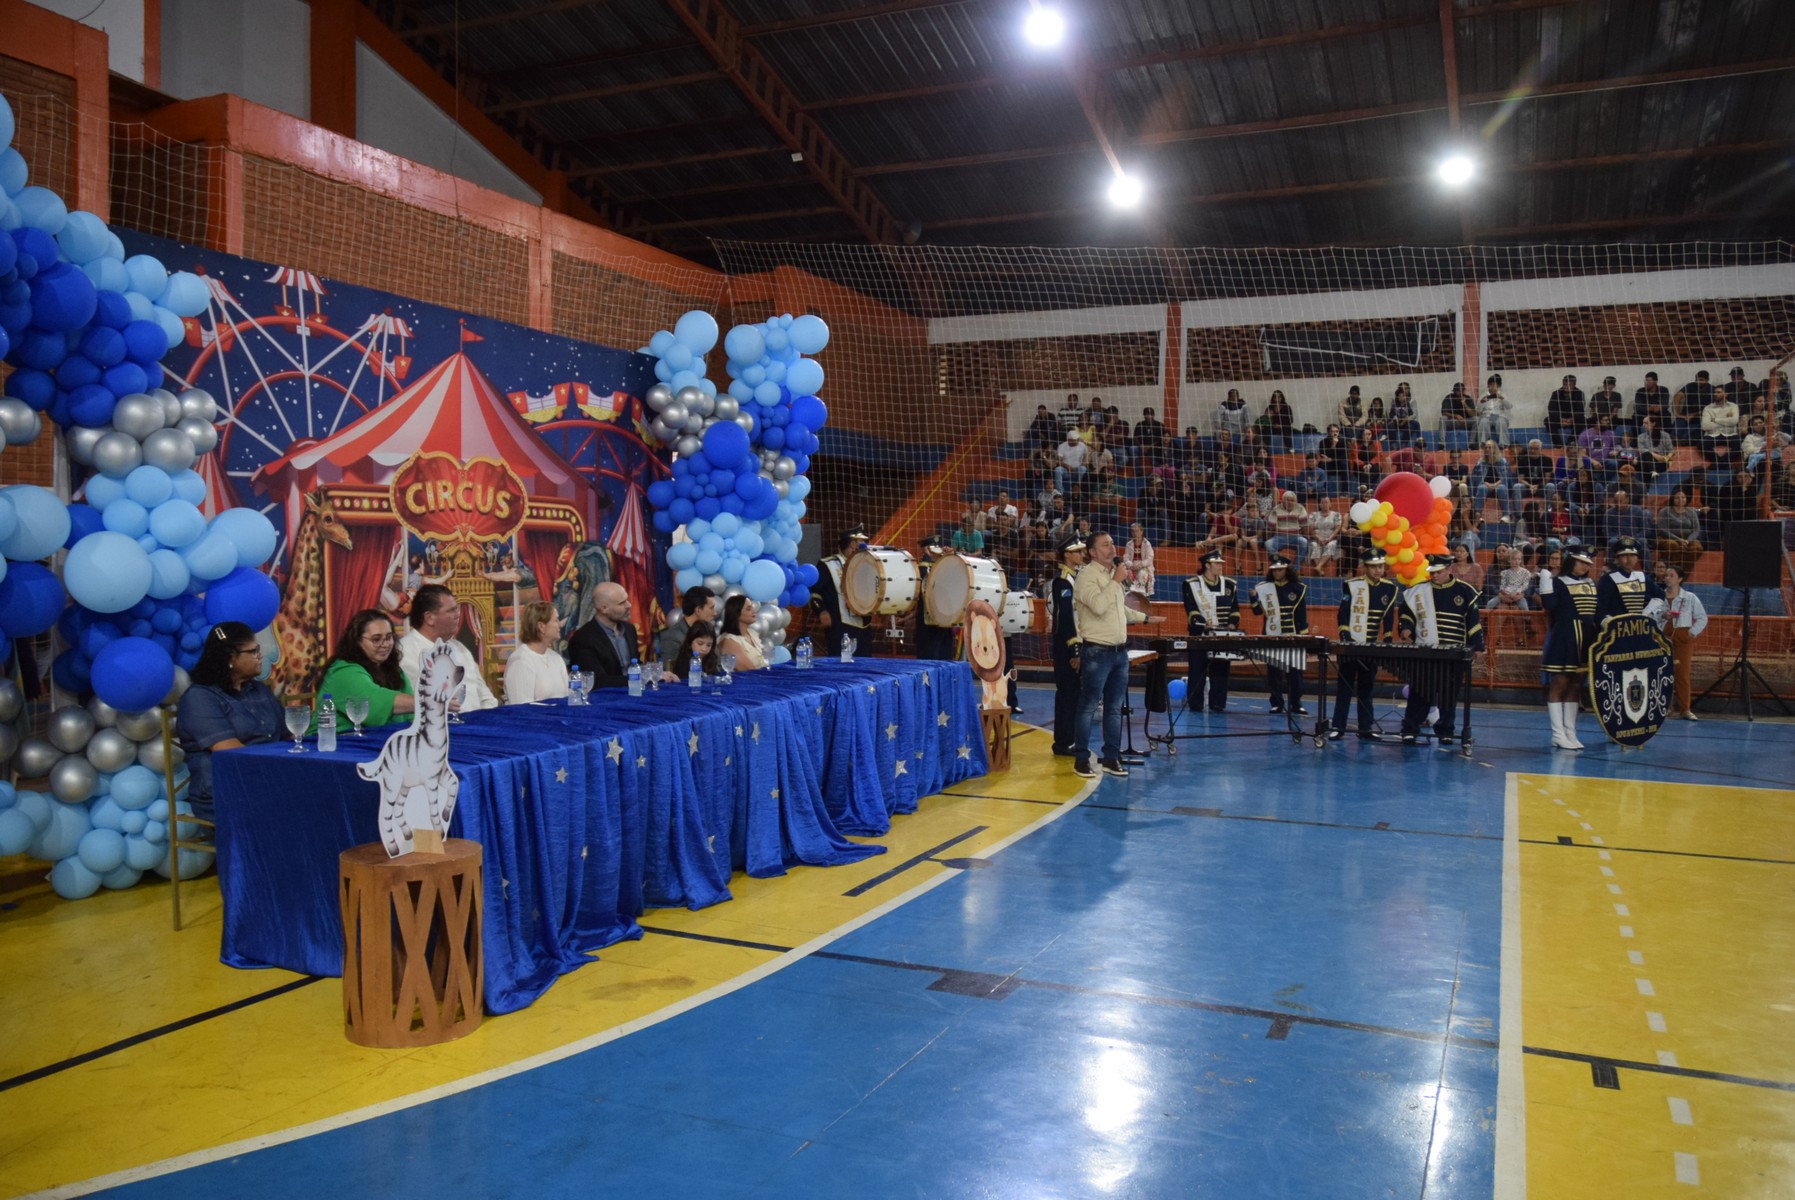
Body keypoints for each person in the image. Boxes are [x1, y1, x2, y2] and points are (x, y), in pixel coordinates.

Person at [1070, 531, 1162, 779]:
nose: (1112, 548)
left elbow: (1119, 610)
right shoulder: (1086, 578)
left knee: (1114, 708)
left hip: (1120, 653)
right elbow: (1099, 607)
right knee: (1088, 706)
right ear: (1092, 552)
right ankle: (1080, 759)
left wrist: (1145, 618)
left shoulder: (1113, 576)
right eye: (1105, 545)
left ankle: (1111, 757)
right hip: (1097, 652)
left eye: (1112, 543)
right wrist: (1115, 581)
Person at [177, 621, 285, 826]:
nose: (260, 656)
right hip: (225, 791)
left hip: (269, 780)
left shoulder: (258, 690)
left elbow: (288, 735)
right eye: (253, 651)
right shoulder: (200, 698)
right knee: (297, 806)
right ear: (230, 658)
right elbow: (232, 753)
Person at [1397, 555, 1483, 746]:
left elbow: (1473, 623)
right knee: (1419, 693)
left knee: (1448, 695)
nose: (1435, 576)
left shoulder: (1465, 591)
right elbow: (1406, 613)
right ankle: (1410, 729)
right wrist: (1406, 627)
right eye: (1432, 572)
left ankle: (1445, 730)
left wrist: (1477, 647)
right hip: (1425, 652)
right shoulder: (1418, 592)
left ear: (1449, 569)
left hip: (1453, 654)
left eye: (1439, 572)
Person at [314, 608, 419, 733]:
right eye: (376, 639)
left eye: (389, 637)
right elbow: (375, 702)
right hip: (333, 745)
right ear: (357, 640)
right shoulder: (343, 672)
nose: (385, 644)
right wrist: (431, 703)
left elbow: (412, 718)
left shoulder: (393, 670)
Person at [1330, 549, 1399, 741]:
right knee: (1344, 688)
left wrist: (1386, 640)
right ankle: (1338, 726)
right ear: (1365, 567)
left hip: (1370, 646)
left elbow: (1388, 617)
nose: (1378, 570)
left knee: (1367, 689)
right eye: (1374, 567)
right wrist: (1346, 637)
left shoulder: (1390, 588)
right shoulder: (1352, 585)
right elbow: (1343, 613)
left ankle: (1366, 728)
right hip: (1350, 645)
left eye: (1381, 566)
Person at [398, 583, 499, 710]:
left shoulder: (460, 648)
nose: (458, 614)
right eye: (451, 610)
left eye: (456, 609)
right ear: (429, 618)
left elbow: (486, 698)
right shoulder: (404, 652)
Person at [1537, 548, 1599, 749]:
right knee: (1560, 684)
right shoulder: (1559, 582)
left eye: (1588, 563)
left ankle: (1570, 732)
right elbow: (1550, 605)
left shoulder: (1590, 584)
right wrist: (1545, 583)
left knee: (1576, 686)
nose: (1585, 566)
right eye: (1581, 562)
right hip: (1565, 638)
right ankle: (1557, 733)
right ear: (1570, 562)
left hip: (1586, 640)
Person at [1250, 553, 1310, 716]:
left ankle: (1296, 703)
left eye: (1280, 570)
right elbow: (1257, 611)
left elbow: (1301, 616)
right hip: (1272, 635)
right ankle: (1276, 703)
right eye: (1275, 570)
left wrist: (1304, 638)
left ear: (1286, 570)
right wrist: (1254, 598)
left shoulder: (1297, 588)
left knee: (1295, 673)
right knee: (1274, 672)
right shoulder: (1264, 588)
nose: (1277, 573)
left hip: (1293, 637)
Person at [1181, 549, 1240, 713]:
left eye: (1221, 563)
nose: (1221, 566)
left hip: (1221, 636)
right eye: (1217, 563)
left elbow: (1235, 609)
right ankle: (1196, 704)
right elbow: (1191, 608)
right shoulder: (1191, 584)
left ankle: (1218, 703)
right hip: (1200, 636)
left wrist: (1233, 624)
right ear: (1207, 565)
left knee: (1221, 670)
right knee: (1197, 670)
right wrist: (1202, 623)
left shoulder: (1230, 584)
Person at [1654, 563, 1709, 720]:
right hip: (1663, 639)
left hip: (1682, 638)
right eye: (1666, 576)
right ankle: (1665, 707)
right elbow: (1651, 616)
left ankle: (1685, 709)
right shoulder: (1659, 597)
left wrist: (1691, 633)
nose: (1667, 578)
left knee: (1682, 674)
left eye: (1671, 575)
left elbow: (1702, 618)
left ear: (1680, 579)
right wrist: (1662, 616)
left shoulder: (1690, 597)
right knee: (1663, 673)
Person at [1048, 536, 1087, 756]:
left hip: (1078, 643)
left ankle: (1069, 739)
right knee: (1067, 694)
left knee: (1074, 694)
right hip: (1067, 646)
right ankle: (1063, 742)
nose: (1082, 555)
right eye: (1078, 552)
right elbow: (1065, 619)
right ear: (1067, 555)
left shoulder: (1076, 579)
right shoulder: (1063, 582)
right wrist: (1074, 649)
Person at [567, 581, 646, 688]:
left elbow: (635, 665)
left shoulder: (629, 629)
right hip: (605, 699)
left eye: (626, 600)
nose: (629, 605)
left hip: (635, 693)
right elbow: (596, 681)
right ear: (604, 608)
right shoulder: (583, 639)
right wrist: (641, 679)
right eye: (622, 603)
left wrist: (656, 674)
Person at [809, 526, 869, 655]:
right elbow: (814, 592)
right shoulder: (828, 565)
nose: (865, 545)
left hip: (864, 623)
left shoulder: (866, 565)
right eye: (861, 542)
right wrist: (821, 611)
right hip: (840, 624)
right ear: (852, 544)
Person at [504, 600, 570, 702]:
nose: (560, 625)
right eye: (556, 620)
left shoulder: (556, 658)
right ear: (541, 627)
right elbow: (521, 709)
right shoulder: (520, 661)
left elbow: (567, 697)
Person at [1596, 537, 1663, 622]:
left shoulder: (1641, 576)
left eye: (1633, 555)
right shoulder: (1608, 579)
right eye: (1624, 555)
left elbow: (1660, 595)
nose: (1629, 559)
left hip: (1640, 626)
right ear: (1617, 559)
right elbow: (1601, 607)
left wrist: (1647, 612)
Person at [914, 537, 958, 661]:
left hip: (943, 615)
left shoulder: (944, 563)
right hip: (929, 616)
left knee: (942, 651)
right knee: (930, 651)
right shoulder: (923, 566)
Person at [659, 585, 718, 667]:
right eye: (711, 608)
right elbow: (671, 672)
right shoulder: (672, 637)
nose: (715, 613)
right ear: (698, 610)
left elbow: (718, 665)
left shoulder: (709, 632)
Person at [1655, 487, 1704, 576]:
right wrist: (1679, 540)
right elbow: (1662, 529)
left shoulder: (1692, 511)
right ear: (1672, 498)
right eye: (1677, 498)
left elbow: (1696, 529)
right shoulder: (1665, 511)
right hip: (1668, 538)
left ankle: (1681, 574)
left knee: (1697, 548)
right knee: (1672, 545)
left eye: (1683, 497)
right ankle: (1669, 572)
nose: (1680, 500)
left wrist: (1688, 540)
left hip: (1688, 539)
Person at [718, 594, 768, 670]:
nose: (753, 611)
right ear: (736, 614)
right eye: (748, 609)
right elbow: (748, 670)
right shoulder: (730, 641)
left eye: (752, 607)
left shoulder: (752, 633)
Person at [1266, 490, 1309, 565]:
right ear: (1283, 501)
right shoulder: (1276, 509)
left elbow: (1304, 526)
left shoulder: (1300, 508)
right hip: (1280, 537)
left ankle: (1296, 566)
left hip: (1295, 537)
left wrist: (1305, 537)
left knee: (1304, 542)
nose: (1289, 502)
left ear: (1295, 501)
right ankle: (1280, 560)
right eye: (1287, 500)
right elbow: (1270, 527)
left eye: (1292, 500)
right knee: (1268, 543)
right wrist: (1269, 537)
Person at [1120, 522, 1155, 611]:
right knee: (1125, 574)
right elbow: (1126, 557)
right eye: (1132, 531)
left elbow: (1149, 558)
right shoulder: (1129, 544)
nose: (1134, 533)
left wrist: (1140, 565)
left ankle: (1140, 598)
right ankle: (1129, 600)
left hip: (1143, 566)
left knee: (1142, 574)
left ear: (1141, 531)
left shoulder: (1147, 543)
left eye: (1136, 531)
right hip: (1131, 566)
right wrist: (1131, 565)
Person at [1545, 375, 1585, 448]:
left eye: (1570, 385)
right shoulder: (1556, 393)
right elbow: (1551, 409)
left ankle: (1571, 442)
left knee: (1582, 420)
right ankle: (1558, 445)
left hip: (1573, 419)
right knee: (1547, 420)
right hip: (1560, 419)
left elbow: (1580, 410)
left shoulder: (1579, 393)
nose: (1567, 387)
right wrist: (1560, 419)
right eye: (1565, 384)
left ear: (1574, 384)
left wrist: (1572, 419)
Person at [1476, 374, 1512, 446]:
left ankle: (1504, 444)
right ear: (1488, 386)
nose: (1492, 387)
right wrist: (1484, 401)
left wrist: (1501, 398)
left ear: (1498, 386)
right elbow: (1478, 410)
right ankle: (1483, 444)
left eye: (1494, 385)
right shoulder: (1483, 395)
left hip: (1500, 416)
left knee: (1501, 422)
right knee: (1483, 422)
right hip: (1486, 416)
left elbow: (1509, 406)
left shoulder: (1503, 394)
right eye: (1491, 385)